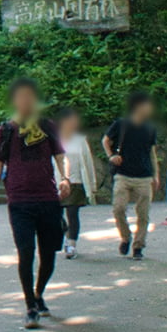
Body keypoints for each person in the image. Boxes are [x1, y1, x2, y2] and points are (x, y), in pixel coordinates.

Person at [0, 78, 66, 329]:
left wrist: (66, 179)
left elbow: (61, 157)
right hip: (19, 202)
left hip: (48, 199)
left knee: (49, 254)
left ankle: (39, 292)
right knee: (26, 253)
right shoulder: (6, 131)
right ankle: (30, 305)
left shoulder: (47, 126)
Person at [103, 88, 161, 260]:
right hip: (123, 174)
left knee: (143, 214)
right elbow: (106, 140)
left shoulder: (150, 128)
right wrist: (111, 156)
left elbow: (152, 153)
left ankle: (138, 246)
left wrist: (156, 175)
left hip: (144, 176)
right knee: (118, 208)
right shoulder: (121, 124)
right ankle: (125, 237)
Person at [56, 106, 102, 251]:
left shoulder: (80, 140)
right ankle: (65, 231)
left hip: (76, 182)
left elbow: (87, 163)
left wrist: (92, 185)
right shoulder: (53, 139)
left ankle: (71, 243)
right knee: (54, 215)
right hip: (56, 183)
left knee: (72, 213)